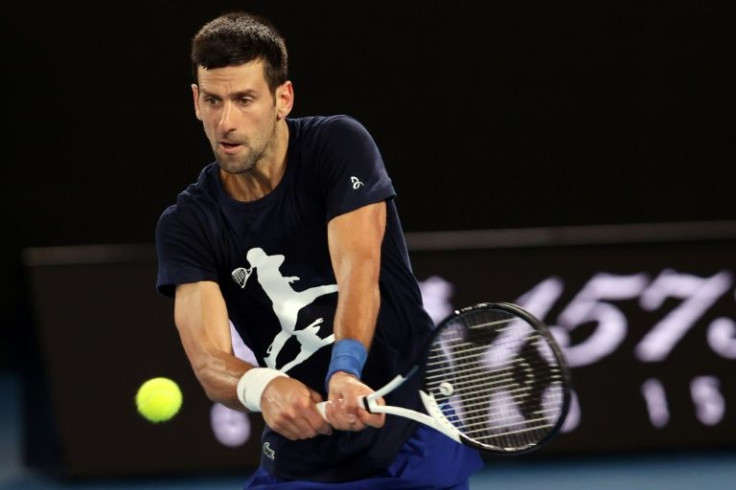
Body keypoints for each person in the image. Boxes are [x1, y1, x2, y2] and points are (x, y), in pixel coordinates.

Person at [154, 10, 484, 489]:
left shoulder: (337, 145)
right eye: (213, 100)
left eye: (245, 99)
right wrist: (265, 387)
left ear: (282, 98)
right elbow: (209, 362)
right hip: (304, 455)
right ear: (195, 101)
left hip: (408, 432)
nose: (226, 121)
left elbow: (359, 274)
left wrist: (345, 370)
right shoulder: (187, 224)